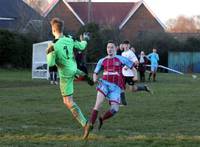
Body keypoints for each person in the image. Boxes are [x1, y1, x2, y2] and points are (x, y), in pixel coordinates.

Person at [83, 40, 137, 139]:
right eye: (108, 47)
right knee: (98, 104)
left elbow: (133, 67)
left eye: (112, 47)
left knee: (115, 109)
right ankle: (89, 125)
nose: (110, 49)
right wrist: (95, 78)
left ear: (116, 48)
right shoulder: (102, 60)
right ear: (106, 49)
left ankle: (102, 119)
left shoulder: (121, 59)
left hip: (116, 88)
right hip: (104, 84)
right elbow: (95, 72)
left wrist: (135, 76)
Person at [46, 18, 88, 138]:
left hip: (65, 74)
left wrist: (50, 52)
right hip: (74, 68)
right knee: (74, 71)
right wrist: (84, 40)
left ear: (53, 30)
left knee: (68, 102)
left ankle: (85, 124)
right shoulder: (69, 38)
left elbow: (51, 64)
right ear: (62, 29)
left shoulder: (54, 45)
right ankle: (84, 76)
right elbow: (81, 46)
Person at [121, 41, 150, 105]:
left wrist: (128, 67)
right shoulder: (122, 53)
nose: (125, 46)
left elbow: (136, 62)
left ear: (129, 45)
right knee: (121, 87)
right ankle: (123, 103)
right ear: (123, 46)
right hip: (123, 73)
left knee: (132, 90)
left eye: (127, 45)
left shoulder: (131, 53)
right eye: (124, 45)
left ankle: (144, 88)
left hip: (130, 74)